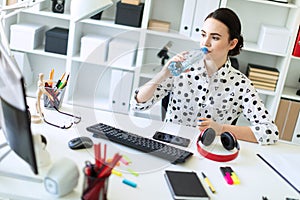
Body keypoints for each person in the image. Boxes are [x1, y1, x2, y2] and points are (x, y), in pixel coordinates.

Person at [130, 8, 279, 145]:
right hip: (169, 145)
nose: (205, 42)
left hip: (208, 154)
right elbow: (138, 104)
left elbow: (270, 132)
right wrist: (163, 74)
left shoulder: (241, 85)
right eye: (203, 35)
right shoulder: (182, 69)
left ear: (232, 43)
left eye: (214, 38)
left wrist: (221, 129)